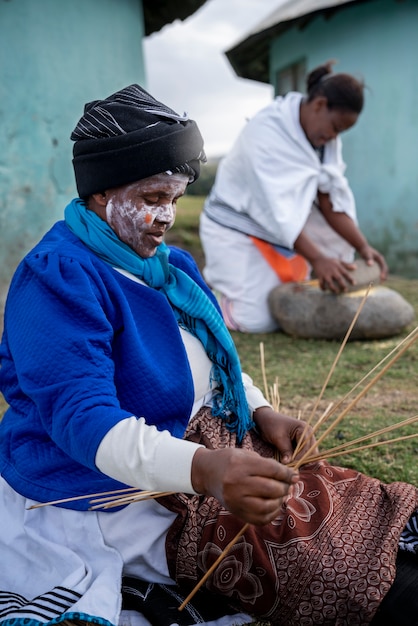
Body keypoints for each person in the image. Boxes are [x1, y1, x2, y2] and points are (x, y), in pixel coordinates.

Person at [0, 84, 417, 626]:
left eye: (174, 200)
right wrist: (205, 472)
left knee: (364, 507)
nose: (167, 217)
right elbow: (85, 421)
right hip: (115, 491)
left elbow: (213, 362)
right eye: (152, 199)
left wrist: (261, 409)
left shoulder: (171, 269)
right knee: (323, 563)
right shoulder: (57, 279)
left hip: (209, 450)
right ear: (101, 195)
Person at [199, 61, 388, 333]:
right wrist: (318, 259)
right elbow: (276, 211)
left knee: (321, 273)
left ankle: (283, 278)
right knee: (255, 320)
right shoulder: (266, 132)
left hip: (280, 230)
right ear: (320, 104)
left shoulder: (324, 139)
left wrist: (364, 246)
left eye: (341, 133)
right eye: (335, 127)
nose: (335, 137)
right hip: (234, 227)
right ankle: (209, 296)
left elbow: (329, 201)